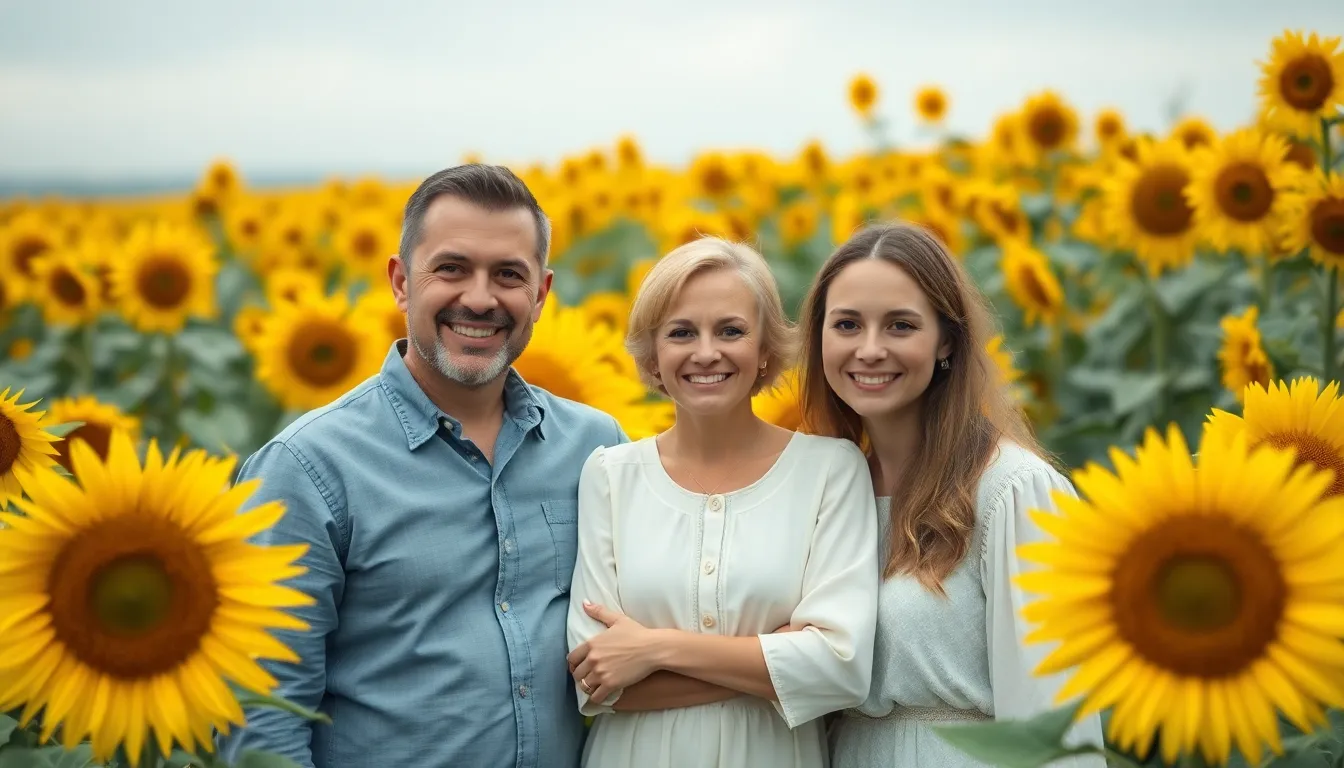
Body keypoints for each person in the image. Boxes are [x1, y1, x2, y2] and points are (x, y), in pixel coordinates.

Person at [216, 164, 628, 768]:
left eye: (509, 275)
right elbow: (262, 722)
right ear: (402, 281)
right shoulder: (306, 469)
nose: (480, 298)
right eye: (452, 268)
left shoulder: (597, 447)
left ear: (540, 294)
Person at [795, 222, 1105, 766]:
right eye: (846, 324)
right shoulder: (828, 496)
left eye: (900, 325)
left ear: (946, 342)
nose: (869, 349)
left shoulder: (1015, 492)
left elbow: (1058, 732)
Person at [564, 236, 880, 768]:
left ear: (763, 352)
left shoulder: (831, 470)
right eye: (681, 332)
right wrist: (774, 661)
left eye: (730, 331)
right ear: (654, 356)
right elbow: (596, 683)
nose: (705, 352)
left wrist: (652, 650)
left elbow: (840, 671)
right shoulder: (610, 476)